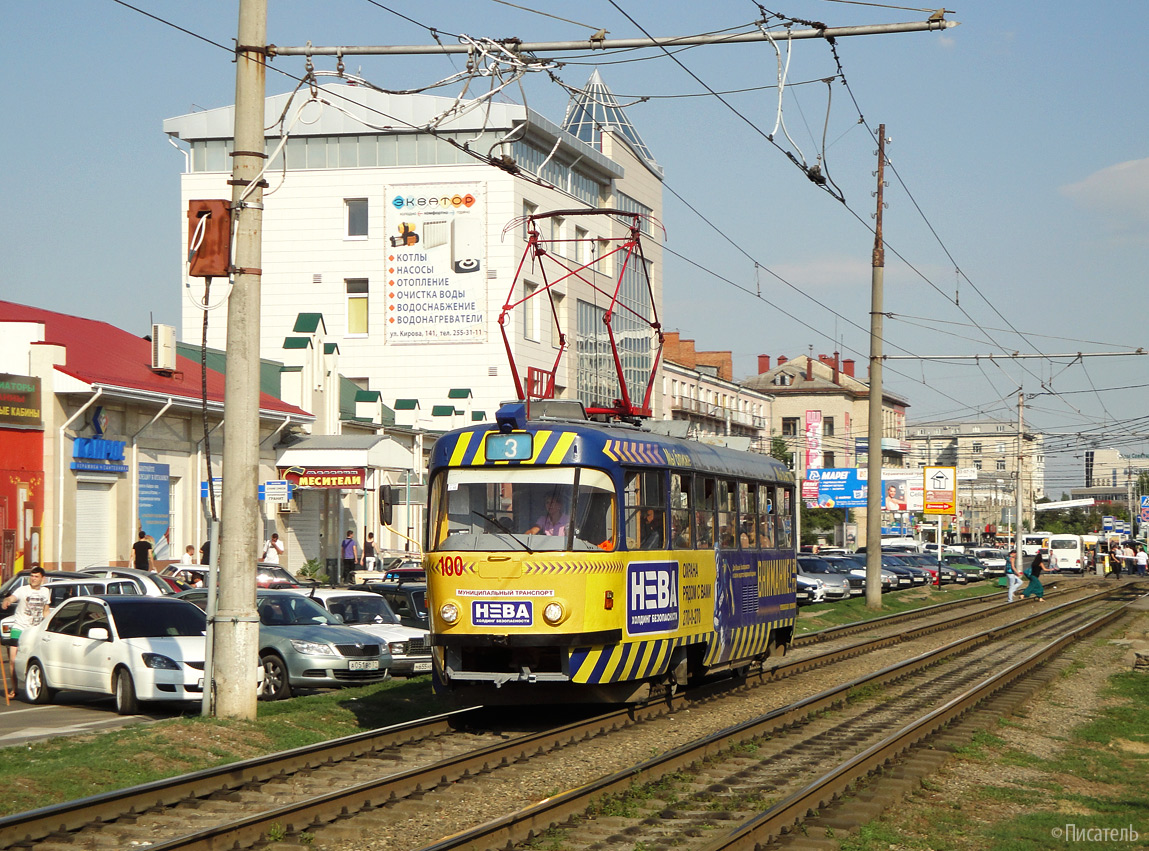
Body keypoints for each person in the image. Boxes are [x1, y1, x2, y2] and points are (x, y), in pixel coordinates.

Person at [1, 565, 50, 698]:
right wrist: (7, 601)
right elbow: (12, 598)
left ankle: (35, 684)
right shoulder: (23, 590)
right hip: (19, 628)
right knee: (13, 660)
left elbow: (46, 611)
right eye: (32, 576)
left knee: (33, 659)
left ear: (42, 578)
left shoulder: (45, 592)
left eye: (36, 577)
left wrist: (49, 623)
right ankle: (14, 689)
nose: (33, 579)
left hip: (34, 631)